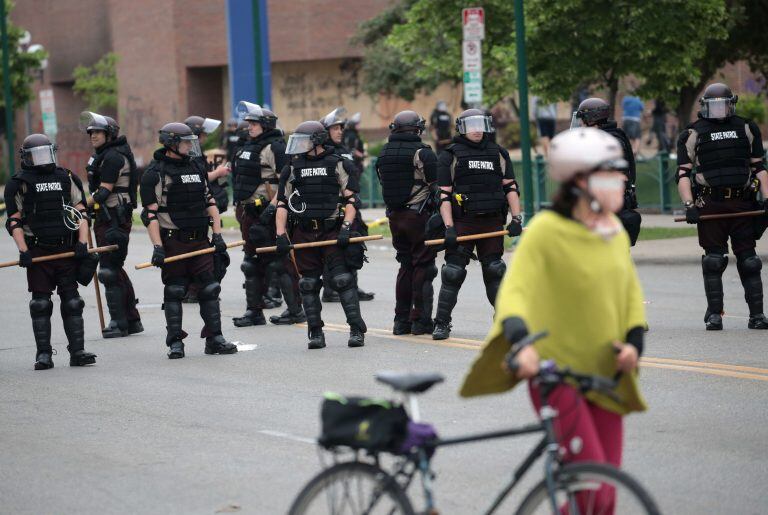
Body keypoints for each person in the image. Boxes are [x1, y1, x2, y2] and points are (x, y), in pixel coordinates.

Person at [461, 128, 647, 512]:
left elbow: (630, 297)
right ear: (578, 181)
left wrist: (633, 345)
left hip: (606, 374)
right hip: (556, 374)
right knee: (591, 487)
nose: (621, 181)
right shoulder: (546, 231)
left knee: (605, 495)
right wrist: (522, 344)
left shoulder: (612, 229)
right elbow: (515, 293)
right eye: (610, 173)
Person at [139, 122, 238, 359]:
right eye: (185, 142)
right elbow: (150, 215)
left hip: (200, 241)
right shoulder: (156, 173)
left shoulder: (196, 166)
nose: (190, 145)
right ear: (172, 143)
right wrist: (157, 247)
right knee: (174, 291)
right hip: (174, 241)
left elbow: (210, 203)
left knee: (210, 288)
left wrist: (217, 235)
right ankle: (175, 343)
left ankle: (214, 339)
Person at [676, 82, 768, 331]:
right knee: (713, 261)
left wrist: (767, 198)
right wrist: (689, 205)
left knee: (749, 261)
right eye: (713, 105)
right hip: (711, 203)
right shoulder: (692, 133)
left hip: (742, 203)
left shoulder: (747, 128)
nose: (719, 110)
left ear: (731, 105)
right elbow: (683, 173)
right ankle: (715, 315)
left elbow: (759, 168)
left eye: (723, 105)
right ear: (705, 106)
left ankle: (757, 315)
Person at [4, 134, 98, 369]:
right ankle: (44, 354)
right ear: (26, 158)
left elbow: (81, 213)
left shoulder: (66, 177)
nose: (42, 159)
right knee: (40, 304)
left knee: (73, 302)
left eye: (46, 153)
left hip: (66, 249)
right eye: (37, 155)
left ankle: (77, 352)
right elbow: (14, 221)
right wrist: (23, 250)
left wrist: (82, 242)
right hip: (37, 251)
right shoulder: (19, 183)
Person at [433, 108, 523, 340]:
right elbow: (443, 195)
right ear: (462, 128)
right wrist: (449, 227)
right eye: (471, 125)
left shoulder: (498, 153)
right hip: (463, 222)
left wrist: (516, 218)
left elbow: (510, 187)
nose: (476, 129)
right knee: (452, 272)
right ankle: (441, 323)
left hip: (492, 221)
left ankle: (503, 321)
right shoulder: (450, 155)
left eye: (480, 124)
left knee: (495, 270)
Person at [275, 120, 366, 349]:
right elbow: (282, 204)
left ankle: (356, 329)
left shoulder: (338, 163)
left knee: (343, 280)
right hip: (304, 233)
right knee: (307, 284)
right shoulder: (293, 168)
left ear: (316, 141)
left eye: (303, 140)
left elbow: (351, 200)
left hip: (332, 229)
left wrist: (346, 227)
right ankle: (315, 332)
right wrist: (280, 235)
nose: (298, 145)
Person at [230, 101, 304, 327]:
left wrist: (272, 208)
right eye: (249, 123)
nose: (249, 126)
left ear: (266, 125)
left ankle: (295, 310)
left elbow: (287, 181)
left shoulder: (275, 147)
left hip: (270, 213)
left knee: (280, 262)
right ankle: (254, 312)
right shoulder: (245, 147)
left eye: (253, 123)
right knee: (251, 263)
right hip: (248, 212)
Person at [80, 112, 143, 338]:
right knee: (114, 268)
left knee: (108, 271)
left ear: (109, 134)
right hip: (106, 218)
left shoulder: (114, 157)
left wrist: (78, 205)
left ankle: (119, 323)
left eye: (97, 132)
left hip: (114, 219)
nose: (92, 136)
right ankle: (132, 320)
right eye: (91, 132)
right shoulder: (104, 155)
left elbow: (104, 191)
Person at [376, 110, 438, 335]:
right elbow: (437, 188)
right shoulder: (423, 153)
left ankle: (400, 321)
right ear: (417, 130)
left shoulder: (383, 153)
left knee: (405, 266)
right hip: (417, 217)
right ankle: (420, 320)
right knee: (423, 266)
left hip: (395, 217)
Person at [321, 107, 374, 302]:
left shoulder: (344, 150)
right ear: (324, 132)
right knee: (331, 248)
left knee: (354, 244)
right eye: (335, 128)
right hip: (333, 208)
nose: (340, 131)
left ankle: (352, 285)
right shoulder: (322, 153)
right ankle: (329, 289)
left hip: (352, 205)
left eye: (340, 128)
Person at [573, 97, 642, 246]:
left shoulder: (611, 141)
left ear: (591, 119)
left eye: (582, 119)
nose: (580, 123)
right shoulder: (599, 138)